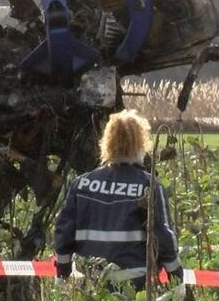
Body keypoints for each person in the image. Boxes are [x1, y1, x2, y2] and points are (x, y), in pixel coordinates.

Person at [54, 109, 184, 289]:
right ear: (141, 143)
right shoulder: (149, 186)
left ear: (106, 142)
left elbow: (63, 232)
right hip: (135, 284)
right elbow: (162, 235)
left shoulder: (81, 184)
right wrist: (176, 277)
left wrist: (62, 272)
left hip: (89, 284)